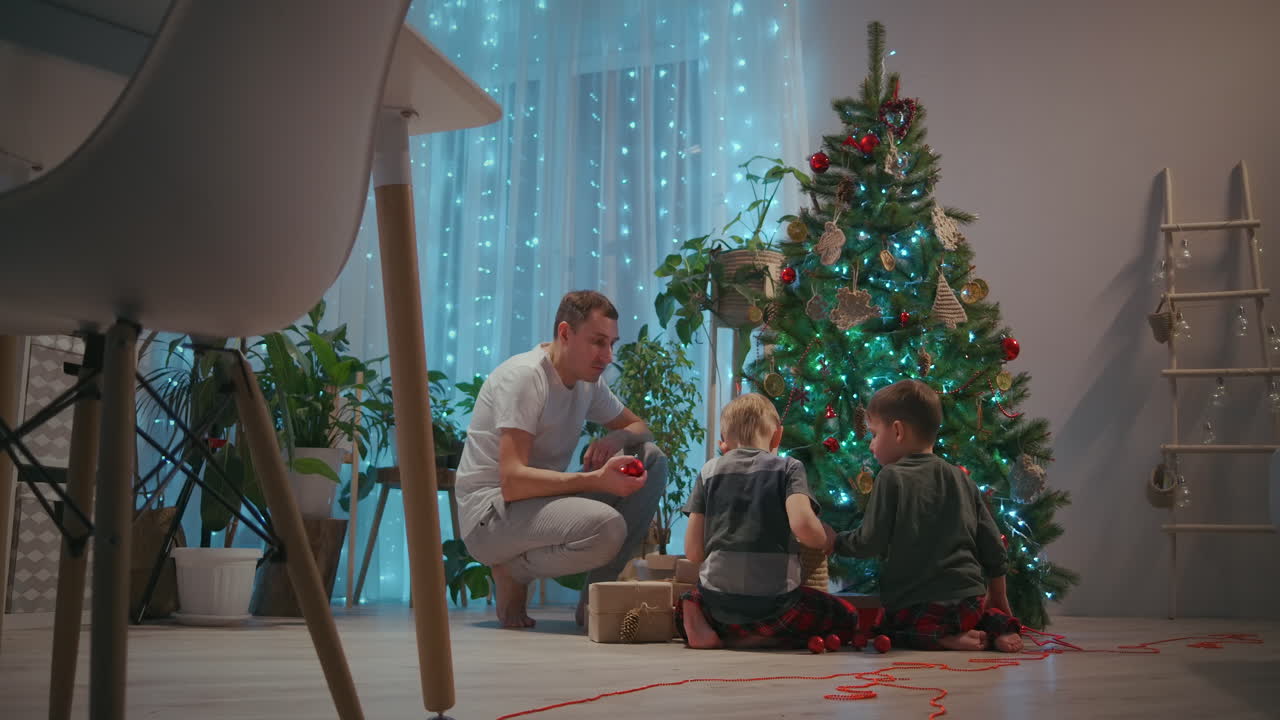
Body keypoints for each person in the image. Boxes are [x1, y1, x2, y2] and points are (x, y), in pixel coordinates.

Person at [455, 290, 667, 628]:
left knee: (651, 460)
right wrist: (593, 480)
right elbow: (513, 483)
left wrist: (618, 436)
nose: (608, 356)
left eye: (612, 343)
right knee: (606, 527)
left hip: (537, 502)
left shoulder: (588, 382)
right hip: (491, 516)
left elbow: (641, 428)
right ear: (565, 333)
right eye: (598, 342)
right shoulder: (525, 378)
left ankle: (597, 602)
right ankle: (512, 571)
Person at [828, 379, 1023, 652]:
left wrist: (836, 541)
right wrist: (997, 594)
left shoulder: (891, 477)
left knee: (888, 631)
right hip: (968, 602)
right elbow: (991, 540)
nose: (871, 446)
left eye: (873, 434)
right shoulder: (960, 477)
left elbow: (870, 541)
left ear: (897, 431)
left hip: (918, 603)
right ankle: (995, 629)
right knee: (978, 615)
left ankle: (946, 639)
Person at [676, 393, 858, 649]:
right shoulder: (788, 469)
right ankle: (759, 638)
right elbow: (805, 528)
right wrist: (824, 537)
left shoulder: (709, 471)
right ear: (777, 436)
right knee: (846, 615)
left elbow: (694, 553)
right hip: (775, 606)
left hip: (717, 605)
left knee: (694, 595)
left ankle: (699, 616)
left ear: (724, 442)